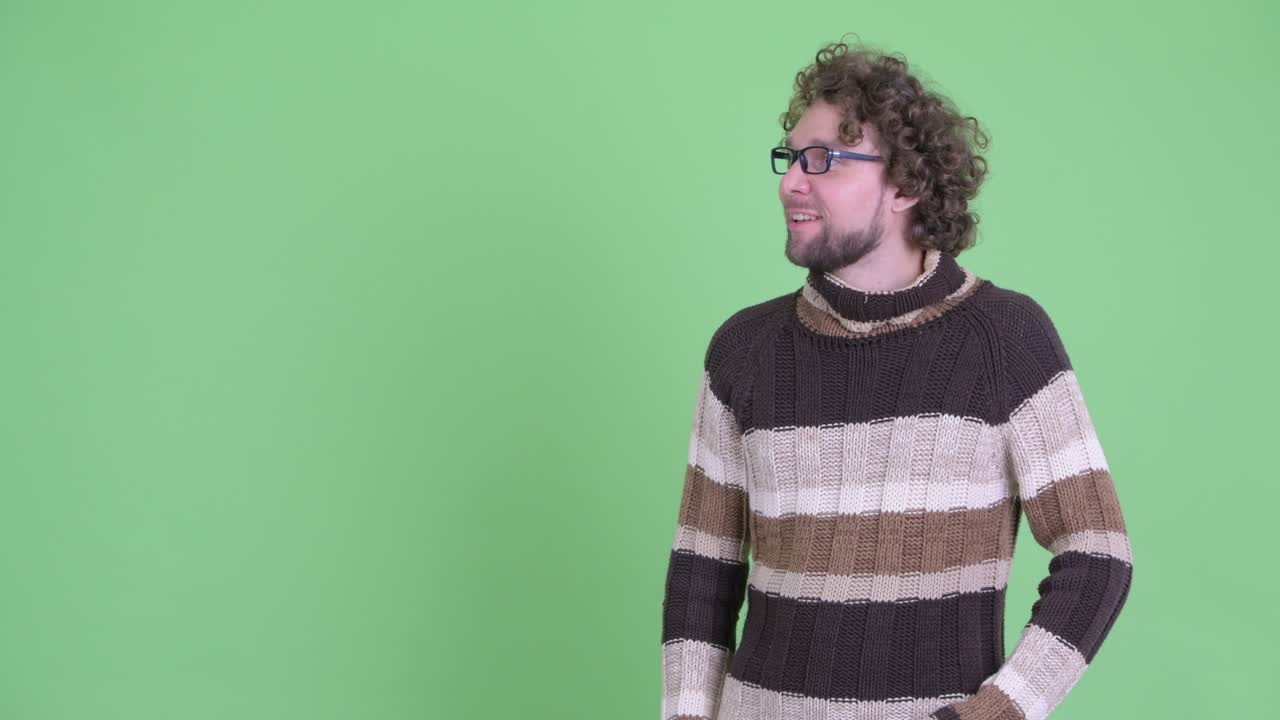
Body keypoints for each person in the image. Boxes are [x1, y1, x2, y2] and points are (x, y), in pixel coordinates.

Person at [660, 38, 1133, 720]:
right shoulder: (744, 349)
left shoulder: (1006, 339)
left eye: (822, 159)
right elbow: (701, 575)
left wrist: (997, 711)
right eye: (791, 158)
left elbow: (1098, 553)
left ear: (906, 184)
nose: (793, 180)